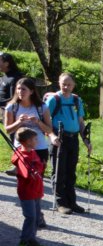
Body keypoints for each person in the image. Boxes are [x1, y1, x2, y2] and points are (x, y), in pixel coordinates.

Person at [5, 78, 54, 228]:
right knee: (25, 182)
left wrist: (38, 122)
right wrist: (19, 122)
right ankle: (32, 215)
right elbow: (7, 130)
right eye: (18, 89)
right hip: (21, 151)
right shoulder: (11, 107)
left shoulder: (42, 107)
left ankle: (37, 215)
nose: (20, 92)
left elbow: (49, 129)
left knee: (37, 182)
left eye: (24, 89)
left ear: (32, 91)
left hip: (39, 149)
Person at [46, 72, 91, 214]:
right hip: (59, 138)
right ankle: (60, 203)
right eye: (63, 84)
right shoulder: (54, 99)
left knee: (71, 172)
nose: (66, 87)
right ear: (59, 83)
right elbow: (45, 121)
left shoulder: (77, 100)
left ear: (73, 85)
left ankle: (72, 202)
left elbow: (80, 122)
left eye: (69, 84)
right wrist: (51, 136)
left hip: (73, 139)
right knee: (59, 171)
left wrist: (86, 140)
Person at [12, 128, 48, 246]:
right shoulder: (20, 156)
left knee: (37, 217)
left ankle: (31, 240)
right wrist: (32, 169)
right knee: (30, 217)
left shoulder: (33, 153)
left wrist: (41, 166)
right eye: (35, 139)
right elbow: (25, 173)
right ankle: (23, 241)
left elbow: (38, 168)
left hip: (36, 190)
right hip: (26, 192)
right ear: (27, 142)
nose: (37, 141)